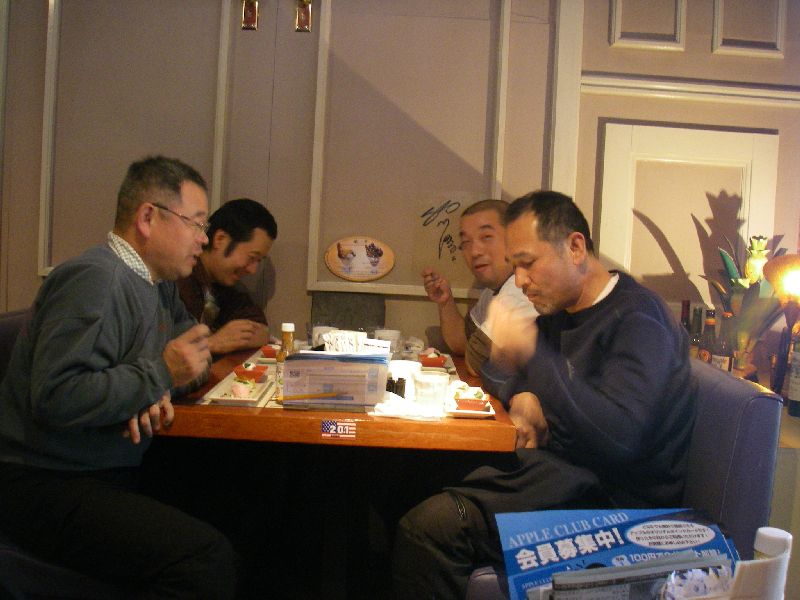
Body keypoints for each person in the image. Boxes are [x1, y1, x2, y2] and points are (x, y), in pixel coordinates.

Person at [394, 190, 694, 598]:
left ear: (575, 247)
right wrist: (524, 396)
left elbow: (621, 438)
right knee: (405, 475)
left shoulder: (639, 318)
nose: (520, 281)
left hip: (614, 504)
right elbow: (496, 370)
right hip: (558, 473)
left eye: (528, 263)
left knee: (429, 528)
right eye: (515, 266)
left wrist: (533, 355)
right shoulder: (562, 312)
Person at [0, 156, 237, 598]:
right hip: (44, 480)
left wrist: (157, 383)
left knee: (242, 493)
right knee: (204, 561)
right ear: (148, 218)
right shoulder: (96, 279)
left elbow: (195, 355)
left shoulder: (157, 284)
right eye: (196, 223)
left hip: (104, 464)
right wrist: (157, 375)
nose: (204, 239)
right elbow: (56, 396)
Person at [421, 199, 537, 374]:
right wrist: (445, 301)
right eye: (466, 242)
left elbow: (477, 363)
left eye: (486, 237)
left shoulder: (521, 290)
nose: (475, 252)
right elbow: (462, 342)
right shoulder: (492, 290)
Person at [177, 198, 277, 355]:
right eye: (252, 257)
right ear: (220, 239)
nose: (253, 270)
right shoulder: (178, 278)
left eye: (259, 261)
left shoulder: (221, 285)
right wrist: (212, 343)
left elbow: (258, 326)